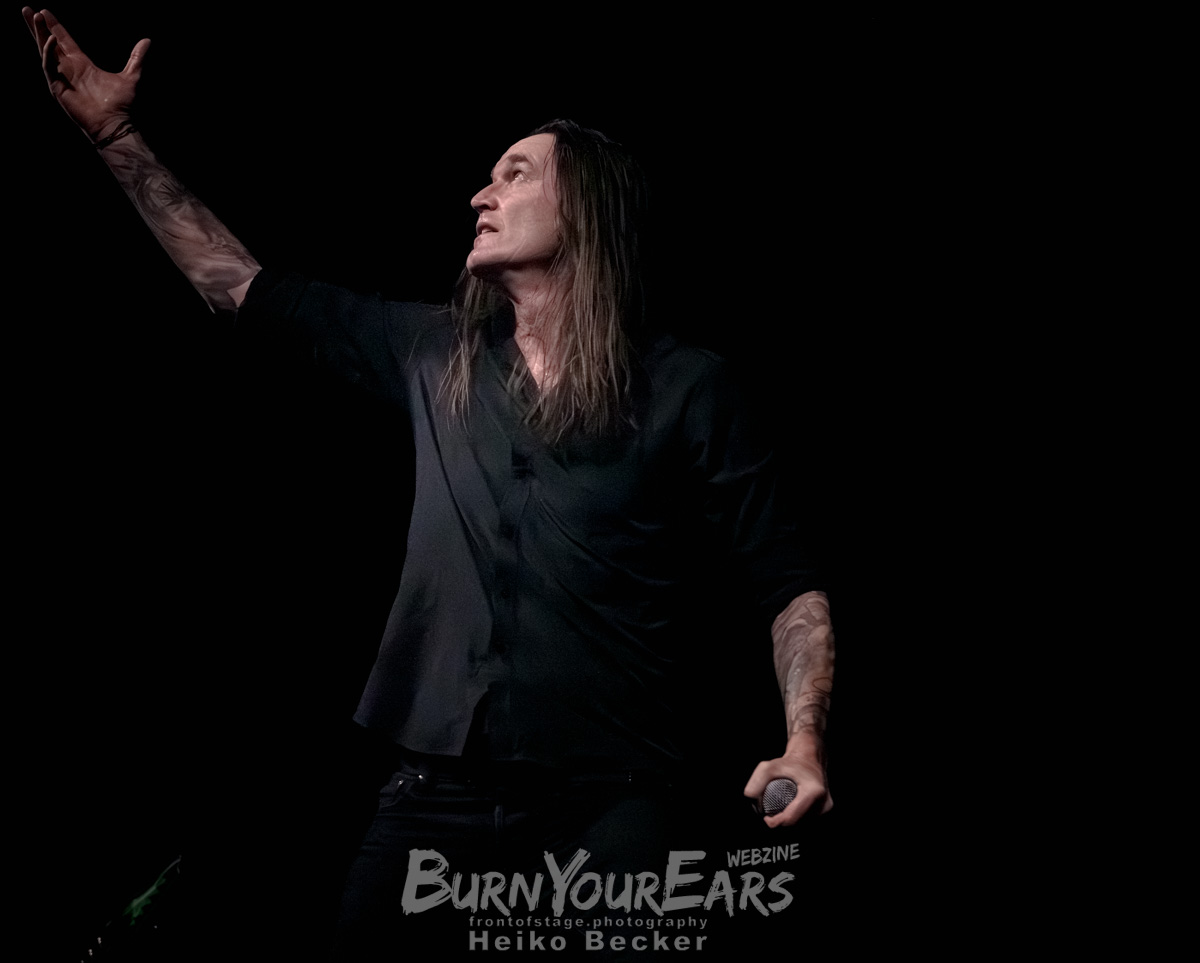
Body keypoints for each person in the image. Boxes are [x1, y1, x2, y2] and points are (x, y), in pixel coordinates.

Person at [24, 7, 836, 958]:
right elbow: (235, 284)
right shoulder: (431, 352)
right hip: (432, 797)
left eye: (514, 173)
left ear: (588, 208)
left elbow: (788, 585)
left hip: (612, 803)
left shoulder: (691, 387)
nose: (480, 194)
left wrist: (804, 738)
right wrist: (115, 137)